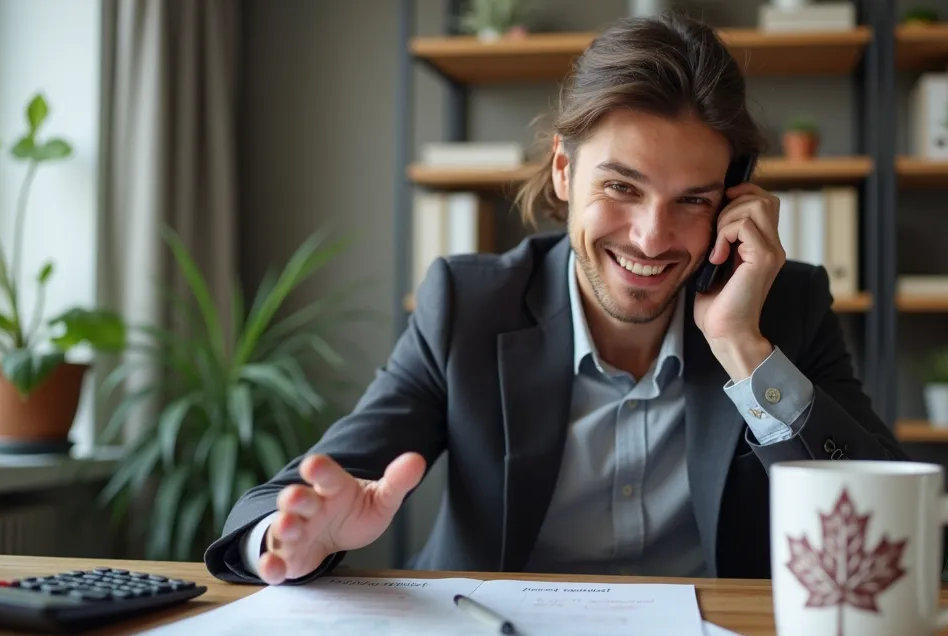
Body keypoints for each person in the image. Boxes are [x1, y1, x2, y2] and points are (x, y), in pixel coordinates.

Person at [203, 11, 908, 587]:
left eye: (692, 200)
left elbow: (888, 531)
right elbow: (277, 503)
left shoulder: (786, 308)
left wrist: (744, 350)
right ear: (564, 170)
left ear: (734, 203)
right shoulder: (467, 305)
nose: (652, 237)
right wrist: (291, 538)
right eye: (622, 187)